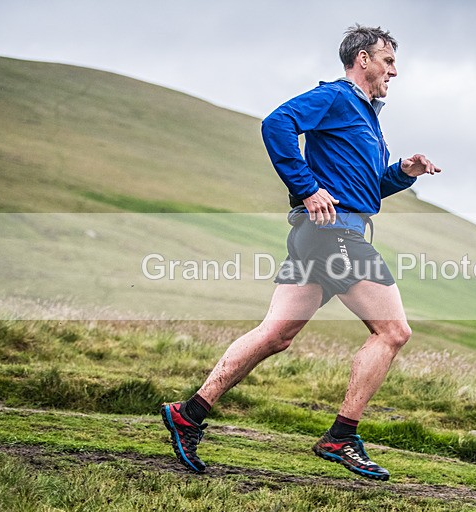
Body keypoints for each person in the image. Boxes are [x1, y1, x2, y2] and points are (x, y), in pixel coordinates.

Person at [161, 24, 440, 481]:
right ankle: (341, 436)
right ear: (363, 60)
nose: (395, 70)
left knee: (275, 335)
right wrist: (308, 188)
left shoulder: (368, 116)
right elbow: (277, 124)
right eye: (388, 60)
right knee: (392, 331)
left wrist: (403, 172)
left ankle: (189, 413)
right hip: (334, 234)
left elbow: (366, 188)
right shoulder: (336, 96)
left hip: (321, 234)